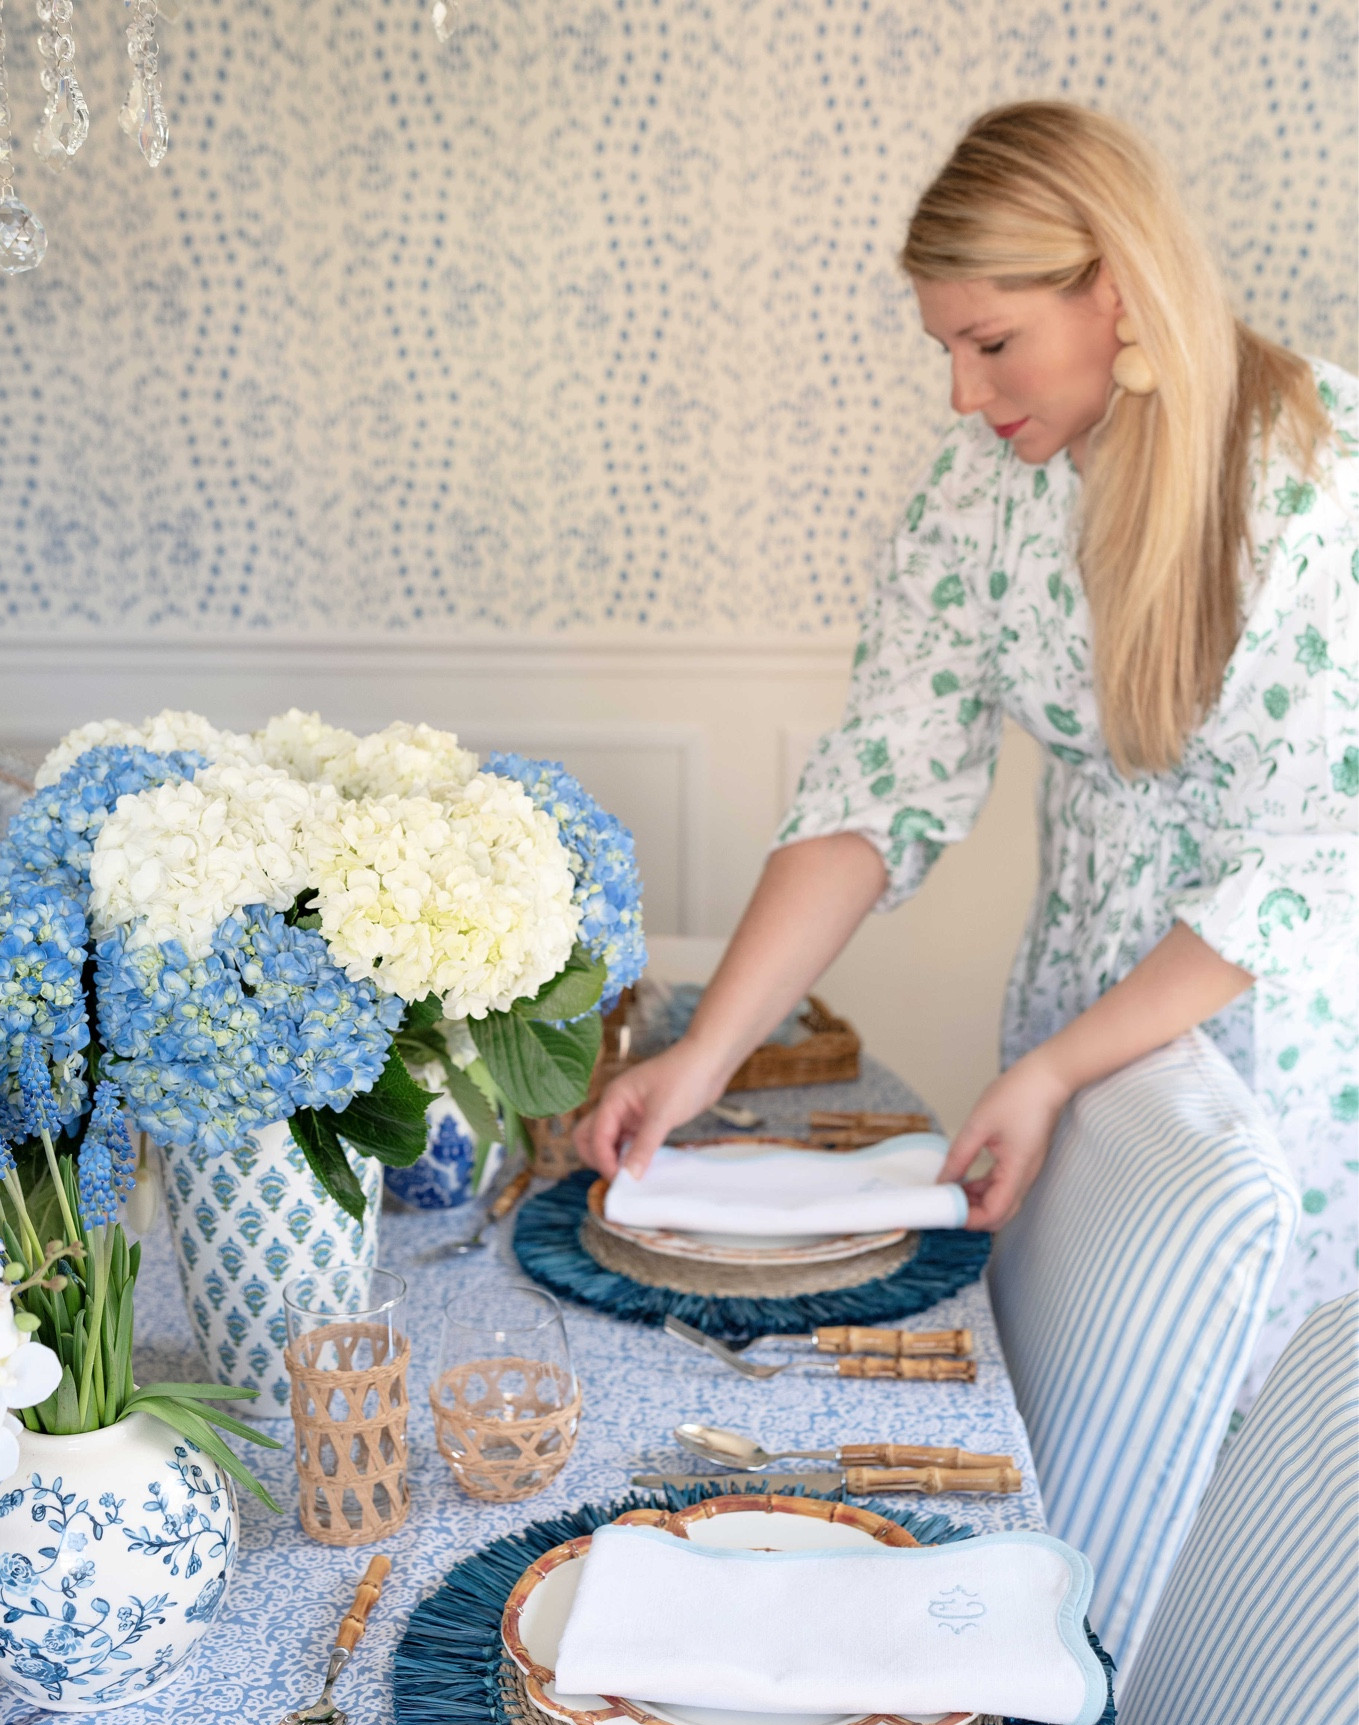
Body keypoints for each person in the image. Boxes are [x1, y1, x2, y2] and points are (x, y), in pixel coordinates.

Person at [576, 100, 1358, 1380]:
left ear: (1112, 285)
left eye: (991, 341)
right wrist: (695, 1061)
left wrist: (1058, 1068)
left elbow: (1305, 867)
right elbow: (871, 788)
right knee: (1071, 1400)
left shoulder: (1314, 481)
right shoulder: (984, 490)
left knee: (1223, 1459)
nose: (960, 390)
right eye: (945, 346)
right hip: (1076, 1005)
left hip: (1265, 1048)